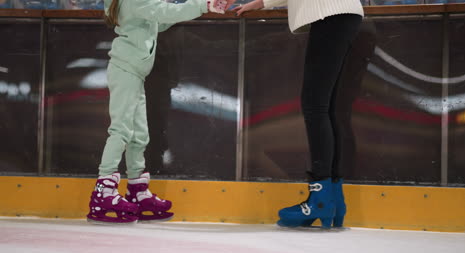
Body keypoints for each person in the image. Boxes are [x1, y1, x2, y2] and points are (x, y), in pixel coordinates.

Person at [87, 0, 235, 224]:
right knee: (121, 130)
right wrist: (203, 5)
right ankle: (103, 190)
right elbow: (163, 11)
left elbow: (160, 19)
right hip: (125, 70)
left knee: (140, 135)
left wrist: (194, 8)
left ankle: (136, 188)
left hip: (135, 72)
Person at [233, 0, 364, 228]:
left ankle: (321, 199)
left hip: (330, 15)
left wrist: (262, 3)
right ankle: (333, 199)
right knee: (328, 107)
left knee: (316, 106)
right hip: (343, 15)